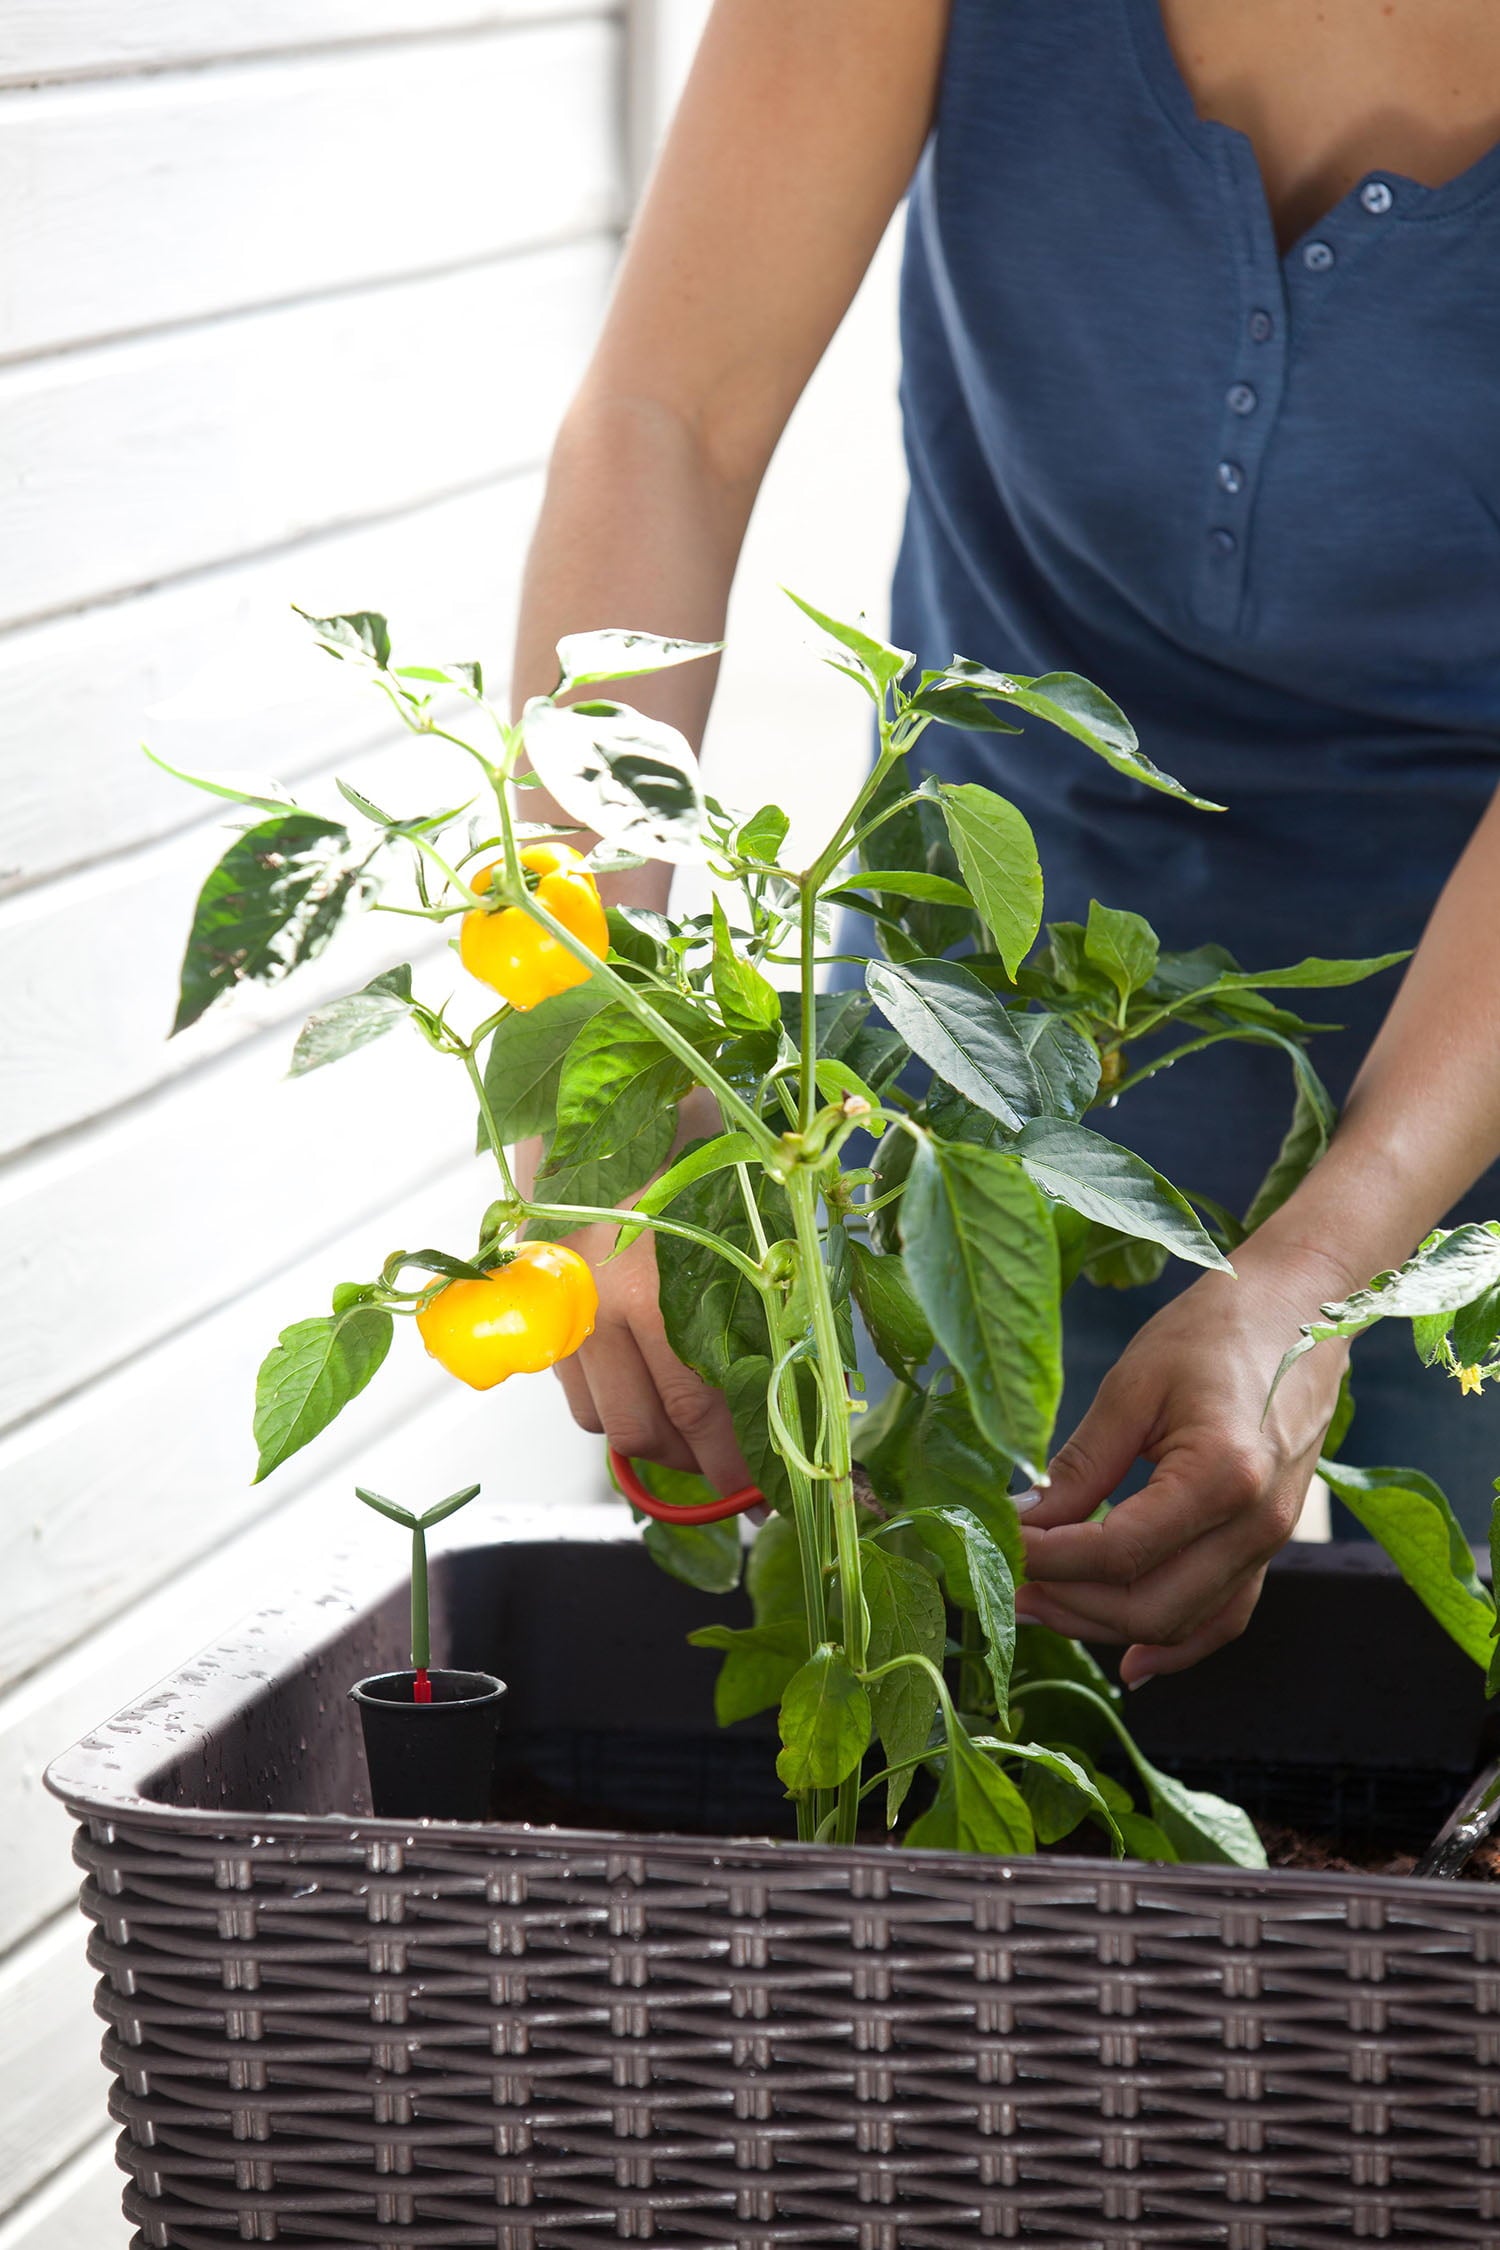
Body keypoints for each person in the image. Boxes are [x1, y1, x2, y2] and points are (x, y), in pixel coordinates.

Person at [509, 0, 1500, 1684]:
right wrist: (585, 1042)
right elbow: (666, 419)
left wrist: (1319, 1272)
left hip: (1472, 1060)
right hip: (990, 1051)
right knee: (937, 1732)